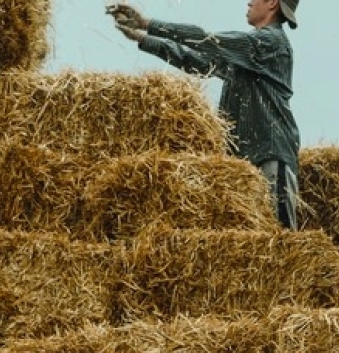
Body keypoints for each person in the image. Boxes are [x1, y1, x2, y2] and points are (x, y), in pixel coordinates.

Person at [107, 0, 301, 230]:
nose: (248, 2)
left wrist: (146, 23)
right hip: (246, 162)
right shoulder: (247, 54)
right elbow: (195, 60)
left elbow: (207, 40)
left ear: (272, 3)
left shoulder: (269, 43)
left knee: (281, 238)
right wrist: (142, 38)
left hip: (271, 155)